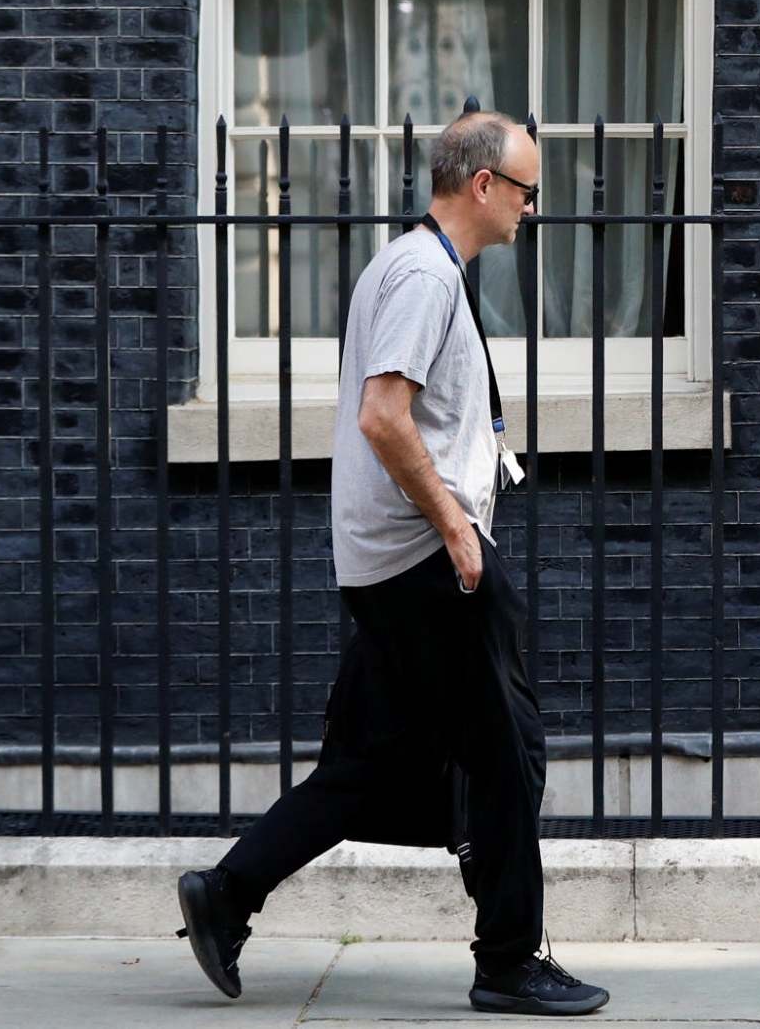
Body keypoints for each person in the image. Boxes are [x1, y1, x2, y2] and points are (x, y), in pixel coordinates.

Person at [174, 110, 608, 1016]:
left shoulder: (409, 266)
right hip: (426, 562)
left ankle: (228, 893)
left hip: (387, 563)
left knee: (372, 767)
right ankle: (509, 960)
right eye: (528, 191)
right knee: (506, 754)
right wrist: (456, 528)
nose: (533, 210)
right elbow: (383, 415)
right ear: (483, 185)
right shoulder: (422, 276)